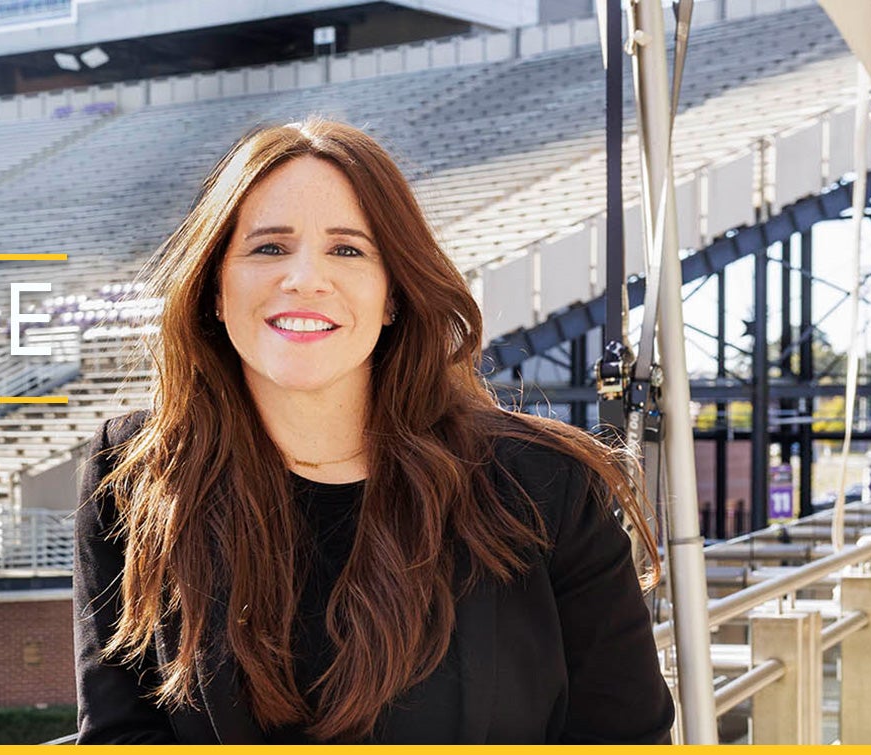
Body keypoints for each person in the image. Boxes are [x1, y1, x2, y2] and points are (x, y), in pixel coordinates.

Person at [72, 118, 675, 744]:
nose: (305, 278)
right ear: (214, 291)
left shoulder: (541, 484)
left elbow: (628, 731)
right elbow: (121, 732)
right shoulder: (135, 475)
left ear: (393, 294)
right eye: (269, 248)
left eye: (348, 249)